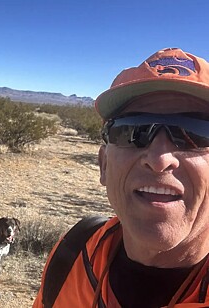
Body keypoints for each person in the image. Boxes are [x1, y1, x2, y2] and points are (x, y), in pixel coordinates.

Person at [33, 47, 209, 308]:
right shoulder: (73, 254)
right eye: (132, 131)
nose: (160, 160)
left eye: (196, 132)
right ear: (103, 164)